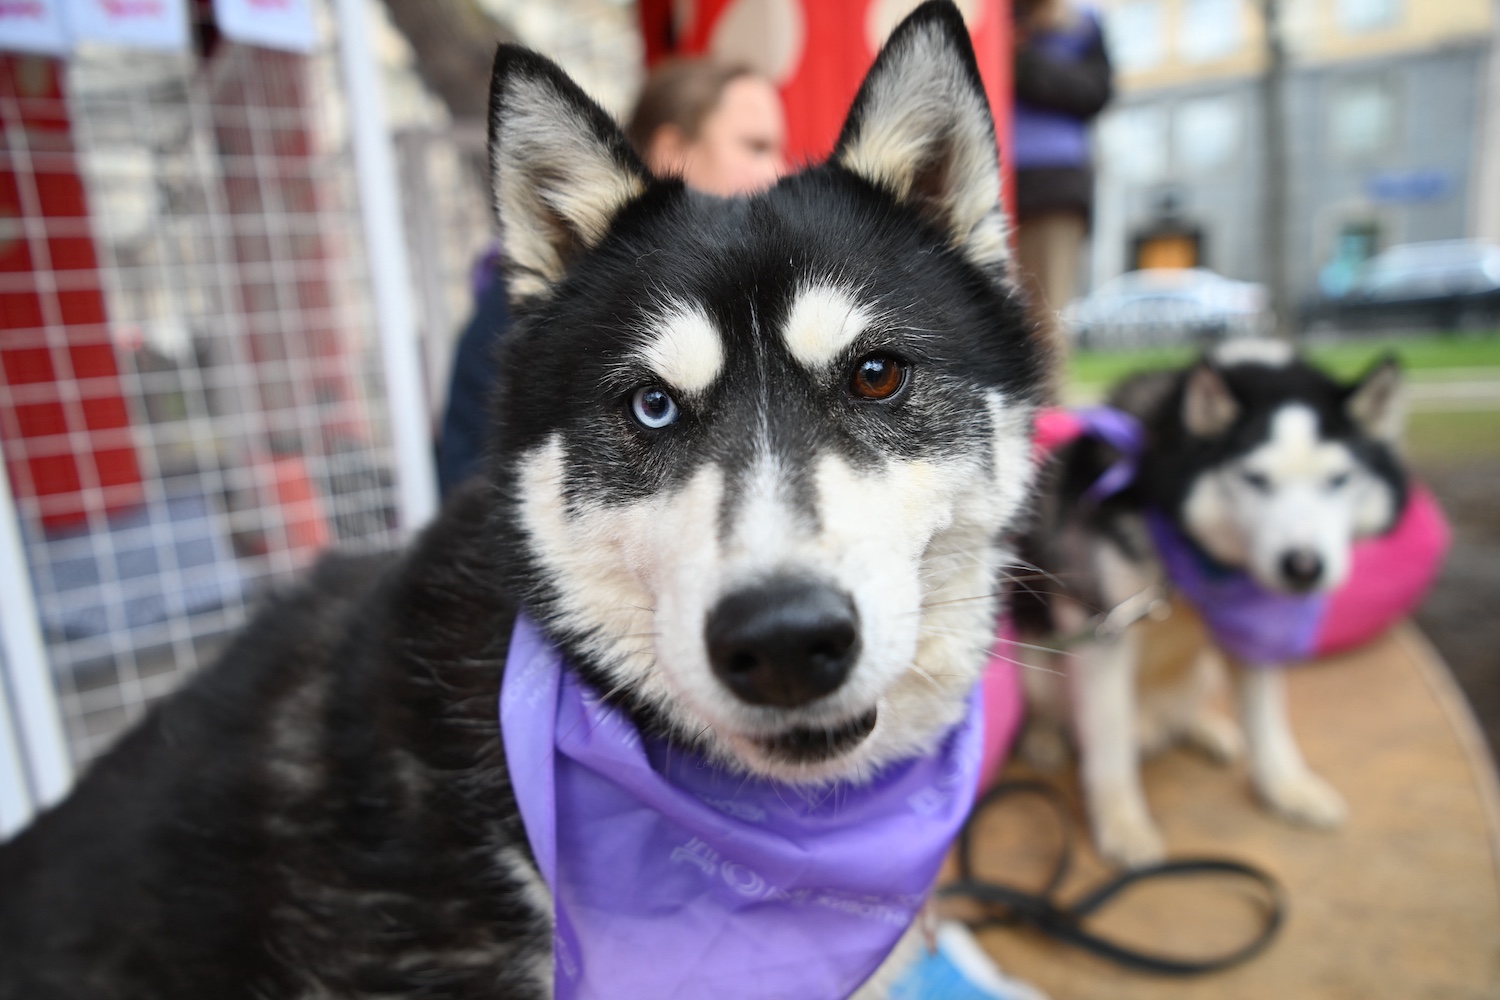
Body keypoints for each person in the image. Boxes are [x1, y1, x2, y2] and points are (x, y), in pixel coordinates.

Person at [435, 59, 785, 495]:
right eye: (756, 147)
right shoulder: (562, 298)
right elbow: (482, 493)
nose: (779, 171)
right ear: (675, 151)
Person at [1011, 0, 1112, 392]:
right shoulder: (995, 20)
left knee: (1044, 310)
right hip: (988, 175)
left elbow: (1095, 93)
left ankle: (1050, 424)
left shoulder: (1081, 26)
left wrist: (1022, 61)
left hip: (1052, 183)